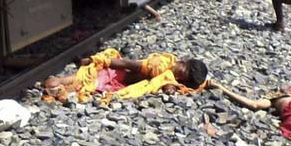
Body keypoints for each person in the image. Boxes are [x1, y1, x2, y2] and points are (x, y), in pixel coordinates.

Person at [42, 48, 207, 103]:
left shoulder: (169, 70)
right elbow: (128, 64)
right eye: (181, 75)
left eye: (182, 80)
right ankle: (59, 83)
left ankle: (59, 87)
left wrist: (171, 87)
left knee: (87, 86)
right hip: (115, 74)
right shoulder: (160, 65)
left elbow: (166, 82)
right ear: (184, 63)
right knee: (86, 82)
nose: (178, 79)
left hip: (118, 81)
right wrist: (96, 60)